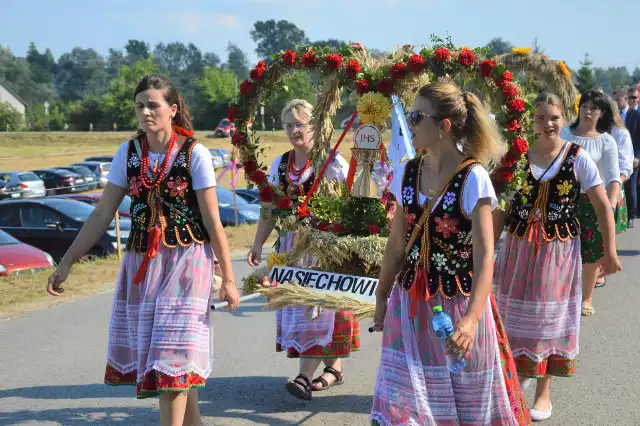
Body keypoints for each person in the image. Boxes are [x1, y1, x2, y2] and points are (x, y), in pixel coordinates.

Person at [47, 74, 240, 426]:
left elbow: (213, 221)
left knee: (172, 361)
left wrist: (228, 277)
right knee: (174, 362)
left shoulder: (193, 152)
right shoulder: (128, 152)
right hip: (143, 265)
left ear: (173, 109)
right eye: (140, 106)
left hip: (187, 262)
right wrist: (67, 262)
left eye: (153, 105)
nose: (146, 112)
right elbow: (102, 213)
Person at [371, 82, 531, 425]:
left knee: (464, 400)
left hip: (457, 304)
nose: (409, 124)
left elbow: (485, 255)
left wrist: (472, 319)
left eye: (416, 117)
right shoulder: (407, 171)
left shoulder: (473, 178)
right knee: (405, 400)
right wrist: (383, 294)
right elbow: (397, 243)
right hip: (409, 302)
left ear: (443, 126)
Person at [494, 93, 621, 422]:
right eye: (540, 118)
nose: (547, 124)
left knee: (548, 320)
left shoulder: (577, 158)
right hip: (518, 249)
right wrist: (485, 250)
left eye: (554, 118)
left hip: (557, 252)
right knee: (512, 314)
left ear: (565, 119)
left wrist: (610, 251)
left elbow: (603, 206)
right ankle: (517, 377)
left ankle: (543, 393)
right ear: (530, 121)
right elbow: (502, 209)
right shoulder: (516, 156)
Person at [247, 99, 358, 400]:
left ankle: (303, 378)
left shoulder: (333, 164)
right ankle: (333, 369)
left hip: (322, 251)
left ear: (315, 126)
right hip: (291, 249)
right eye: (288, 125)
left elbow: (348, 210)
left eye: (300, 124)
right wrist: (258, 242)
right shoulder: (281, 164)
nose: (294, 131)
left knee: (314, 311)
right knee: (303, 312)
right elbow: (269, 208)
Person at [560, 90, 621, 315]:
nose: (587, 111)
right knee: (561, 248)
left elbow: (614, 178)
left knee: (590, 252)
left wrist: (610, 205)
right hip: (564, 199)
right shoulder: (565, 133)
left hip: (593, 202)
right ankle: (561, 294)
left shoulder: (607, 141)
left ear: (602, 113)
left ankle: (586, 298)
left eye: (593, 108)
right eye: (584, 106)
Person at [608, 91, 634, 234]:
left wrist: (614, 190)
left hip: (613, 186)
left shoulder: (620, 132)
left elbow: (625, 166)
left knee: (607, 237)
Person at [616, 88, 640, 227]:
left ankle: (631, 216)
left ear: (625, 100)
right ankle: (619, 215)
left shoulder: (636, 115)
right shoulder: (614, 116)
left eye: (618, 100)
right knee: (617, 186)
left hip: (633, 158)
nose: (616, 103)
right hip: (617, 156)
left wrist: (637, 156)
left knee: (631, 188)